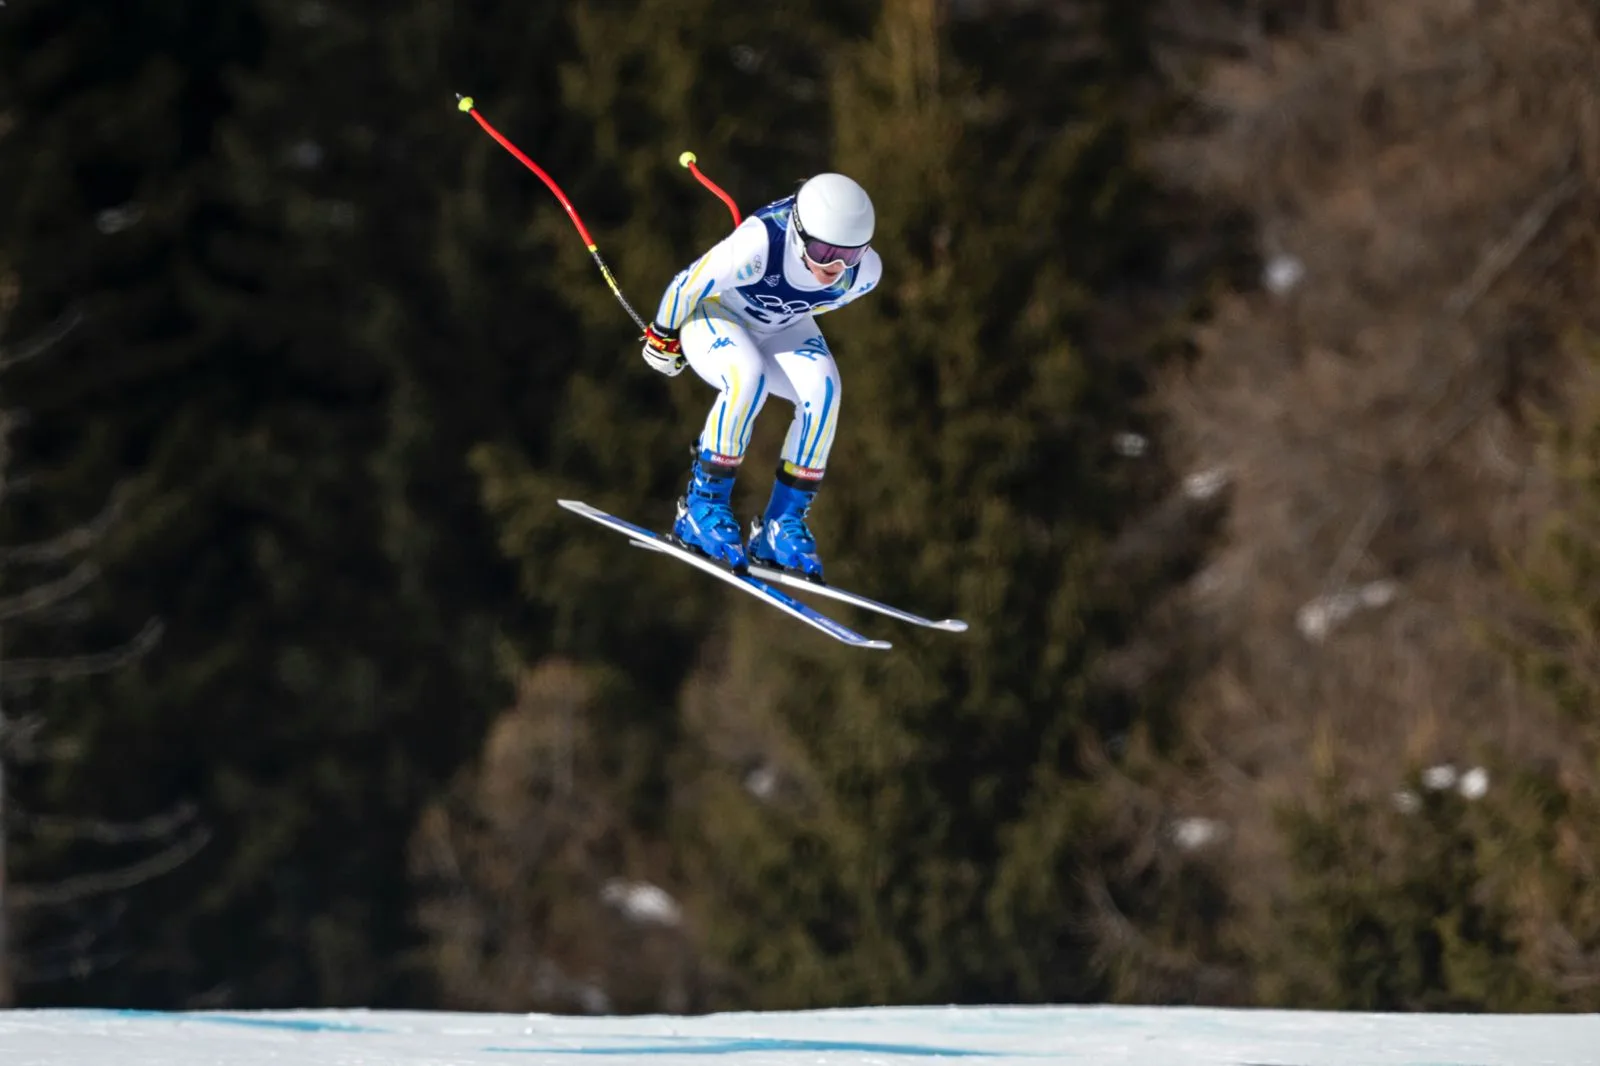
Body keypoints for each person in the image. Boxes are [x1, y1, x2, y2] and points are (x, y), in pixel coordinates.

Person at [639, 173, 881, 580]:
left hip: (780, 327)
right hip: (718, 314)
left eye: (849, 255)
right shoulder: (759, 244)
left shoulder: (863, 275)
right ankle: (702, 506)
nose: (835, 267)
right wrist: (662, 336)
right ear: (800, 233)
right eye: (824, 251)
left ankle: (779, 527)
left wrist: (783, 320)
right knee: (745, 378)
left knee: (824, 394)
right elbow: (687, 284)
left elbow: (810, 302)